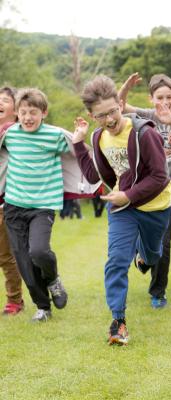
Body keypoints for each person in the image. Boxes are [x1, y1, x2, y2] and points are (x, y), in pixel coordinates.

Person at [72, 75, 171, 345]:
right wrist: (79, 145)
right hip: (122, 208)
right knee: (116, 260)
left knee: (152, 254)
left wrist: (128, 194)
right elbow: (96, 176)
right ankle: (118, 321)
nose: (110, 120)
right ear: (92, 116)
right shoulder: (99, 138)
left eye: (113, 112)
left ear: (120, 104)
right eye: (101, 116)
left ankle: (145, 257)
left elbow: (159, 177)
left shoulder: (144, 133)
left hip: (156, 206)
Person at [119, 72, 171, 309]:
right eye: (160, 97)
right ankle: (143, 255)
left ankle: (158, 291)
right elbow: (119, 107)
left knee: (165, 239)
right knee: (148, 235)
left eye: (169, 97)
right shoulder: (146, 116)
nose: (165, 102)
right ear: (151, 98)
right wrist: (125, 88)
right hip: (149, 187)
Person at [1, 88, 70, 322]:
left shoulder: (54, 136)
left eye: (33, 112)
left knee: (39, 251)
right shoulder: (10, 135)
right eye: (23, 112)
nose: (28, 117)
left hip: (42, 206)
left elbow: (77, 152)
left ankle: (52, 279)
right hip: (13, 206)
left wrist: (80, 137)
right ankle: (43, 307)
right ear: (17, 114)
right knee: (23, 261)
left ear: (44, 113)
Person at [0, 86, 24, 316]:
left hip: (6, 204)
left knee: (6, 256)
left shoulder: (13, 131)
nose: (0, 102)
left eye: (5, 100)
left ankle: (14, 299)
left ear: (16, 110)